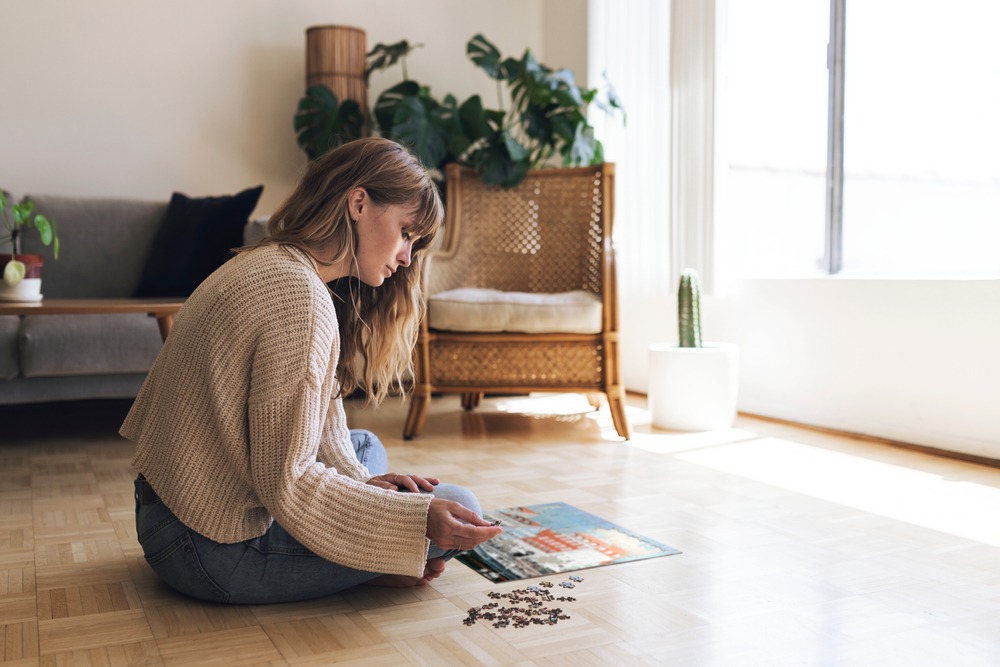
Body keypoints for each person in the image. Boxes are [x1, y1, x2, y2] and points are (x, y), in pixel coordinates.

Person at [120, 137, 502, 604]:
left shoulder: (279, 265)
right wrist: (411, 523)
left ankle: (365, 557)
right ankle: (371, 564)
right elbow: (289, 482)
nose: (406, 258)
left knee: (364, 449)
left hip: (174, 509)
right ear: (359, 202)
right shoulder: (300, 301)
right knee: (460, 506)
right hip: (206, 545)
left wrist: (365, 489)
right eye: (406, 233)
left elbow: (313, 433)